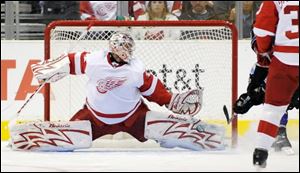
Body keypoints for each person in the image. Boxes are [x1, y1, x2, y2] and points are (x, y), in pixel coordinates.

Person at [26, 32, 225, 151]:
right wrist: (50, 69)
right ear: (115, 48)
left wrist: (171, 100)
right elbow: (70, 60)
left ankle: (182, 134)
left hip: (133, 117)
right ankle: (51, 137)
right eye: (126, 48)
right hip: (94, 116)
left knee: (159, 126)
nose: (128, 52)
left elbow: (154, 91)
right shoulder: (94, 60)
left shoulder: (136, 69)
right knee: (75, 132)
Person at [250, 1, 299, 168]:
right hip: (286, 57)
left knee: (273, 109)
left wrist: (264, 51)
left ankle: (260, 154)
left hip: (285, 59)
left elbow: (262, 29)